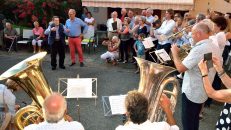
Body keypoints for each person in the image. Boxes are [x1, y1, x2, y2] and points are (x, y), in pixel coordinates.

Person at [171, 22, 221, 130]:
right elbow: (208, 65)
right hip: (202, 89)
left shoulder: (200, 48)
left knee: (188, 123)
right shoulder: (212, 45)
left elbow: (180, 68)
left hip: (192, 91)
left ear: (198, 34)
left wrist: (175, 53)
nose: (191, 36)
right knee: (194, 120)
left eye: (192, 34)